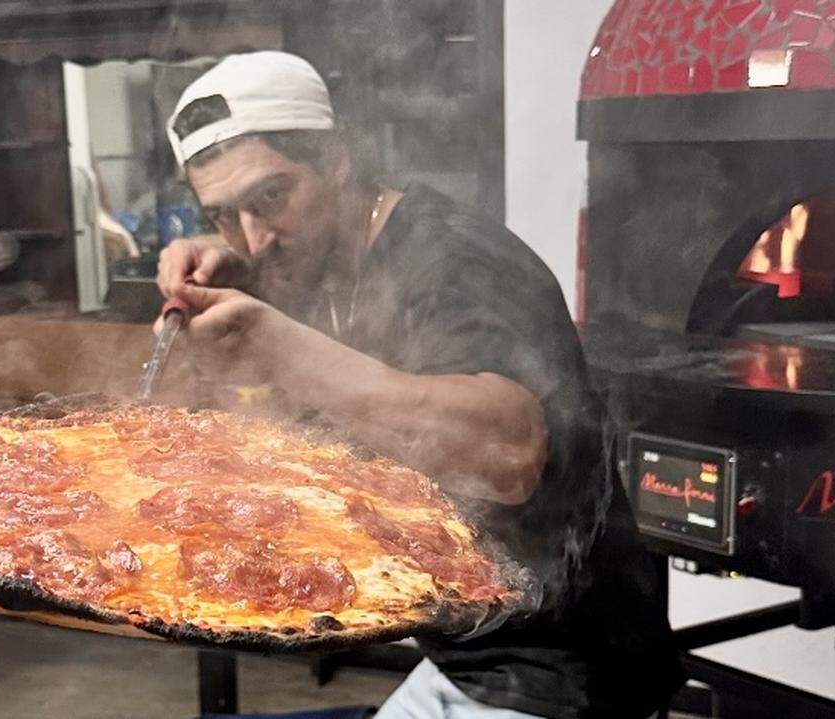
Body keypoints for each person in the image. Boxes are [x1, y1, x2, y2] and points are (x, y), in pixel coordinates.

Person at [156, 51, 681, 719]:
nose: (256, 238)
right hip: (463, 657)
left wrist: (275, 344)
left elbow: (509, 454)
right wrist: (229, 262)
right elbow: (272, 257)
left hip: (566, 675)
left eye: (271, 196)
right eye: (226, 214)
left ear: (337, 157)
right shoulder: (314, 250)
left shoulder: (457, 260)